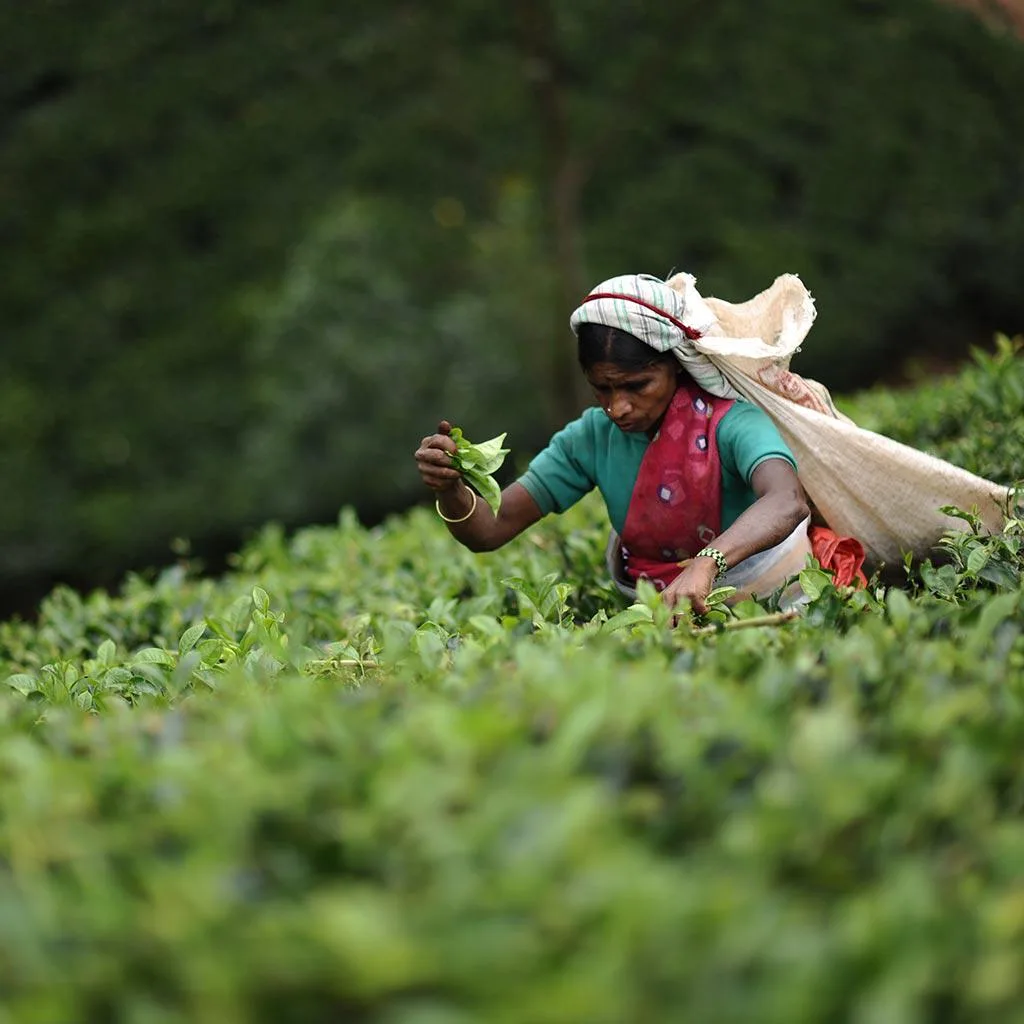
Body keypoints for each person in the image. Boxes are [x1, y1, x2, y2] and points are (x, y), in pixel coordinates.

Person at [415, 273, 817, 615]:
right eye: (601, 389)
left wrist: (706, 564)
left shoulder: (731, 422)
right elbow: (490, 530)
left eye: (636, 386)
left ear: (675, 364)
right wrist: (451, 488)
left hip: (772, 597)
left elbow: (786, 500)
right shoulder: (591, 438)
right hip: (654, 613)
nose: (617, 407)